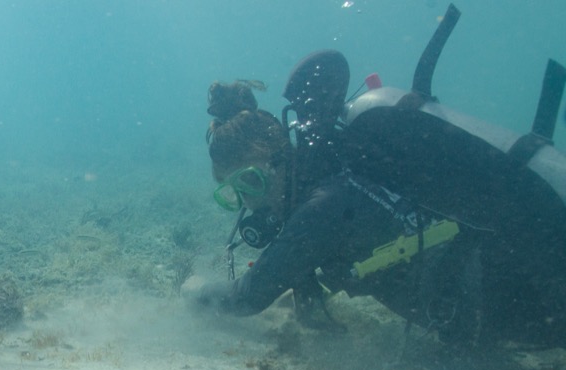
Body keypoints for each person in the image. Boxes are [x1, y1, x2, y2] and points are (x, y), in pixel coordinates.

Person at [195, 32, 566, 350]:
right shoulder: (339, 179)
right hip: (514, 280)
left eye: (251, 181)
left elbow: (245, 298)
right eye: (233, 193)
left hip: (521, 291)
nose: (249, 201)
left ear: (282, 159)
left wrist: (190, 293)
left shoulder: (322, 208)